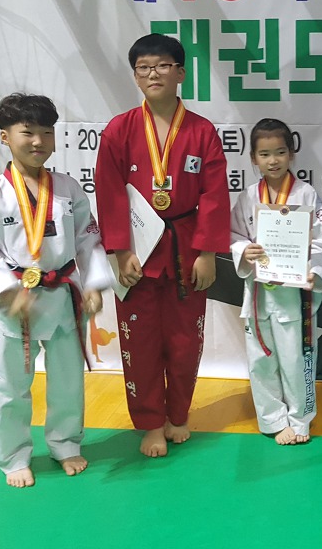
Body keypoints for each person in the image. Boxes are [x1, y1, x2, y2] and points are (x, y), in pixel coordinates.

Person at [0, 93, 111, 488]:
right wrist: (4, 289)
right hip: (18, 300)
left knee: (67, 380)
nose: (38, 141)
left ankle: (65, 443)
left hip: (61, 295)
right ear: (4, 136)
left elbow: (88, 239)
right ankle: (13, 456)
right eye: (27, 132)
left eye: (47, 133)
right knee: (10, 385)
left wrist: (93, 283)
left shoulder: (67, 188)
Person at [95, 33, 230, 458]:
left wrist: (207, 252)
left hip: (187, 248)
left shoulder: (202, 132)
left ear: (181, 73)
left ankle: (178, 415)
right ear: (136, 77)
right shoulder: (119, 130)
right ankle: (151, 423)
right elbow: (109, 193)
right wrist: (120, 251)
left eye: (163, 65)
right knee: (140, 343)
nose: (153, 74)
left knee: (185, 341)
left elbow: (214, 194)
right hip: (136, 250)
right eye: (144, 68)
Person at [231, 119, 322, 444]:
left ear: (292, 153)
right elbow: (234, 234)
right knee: (260, 360)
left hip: (295, 296)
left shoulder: (306, 194)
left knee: (297, 359)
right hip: (259, 294)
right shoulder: (248, 196)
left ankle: (300, 420)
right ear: (253, 158)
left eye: (279, 152)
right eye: (264, 154)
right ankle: (273, 420)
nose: (273, 160)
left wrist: (315, 270)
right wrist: (244, 250)